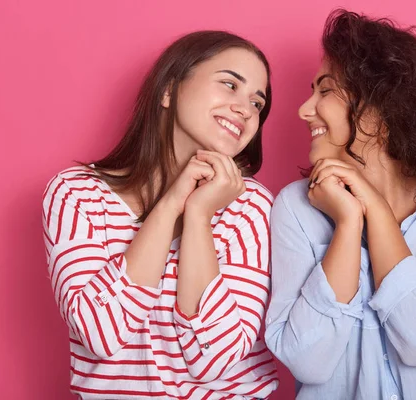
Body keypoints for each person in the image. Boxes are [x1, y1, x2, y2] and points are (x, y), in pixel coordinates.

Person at [265, 9, 416, 400]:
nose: (304, 109)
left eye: (324, 90)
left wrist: (374, 209)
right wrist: (346, 223)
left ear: (380, 106)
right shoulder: (295, 206)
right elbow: (307, 360)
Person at [42, 30, 278, 399]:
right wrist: (171, 205)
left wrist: (199, 216)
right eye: (229, 85)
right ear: (168, 89)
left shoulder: (252, 206)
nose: (245, 110)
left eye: (257, 103)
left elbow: (214, 360)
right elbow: (101, 333)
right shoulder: (76, 194)